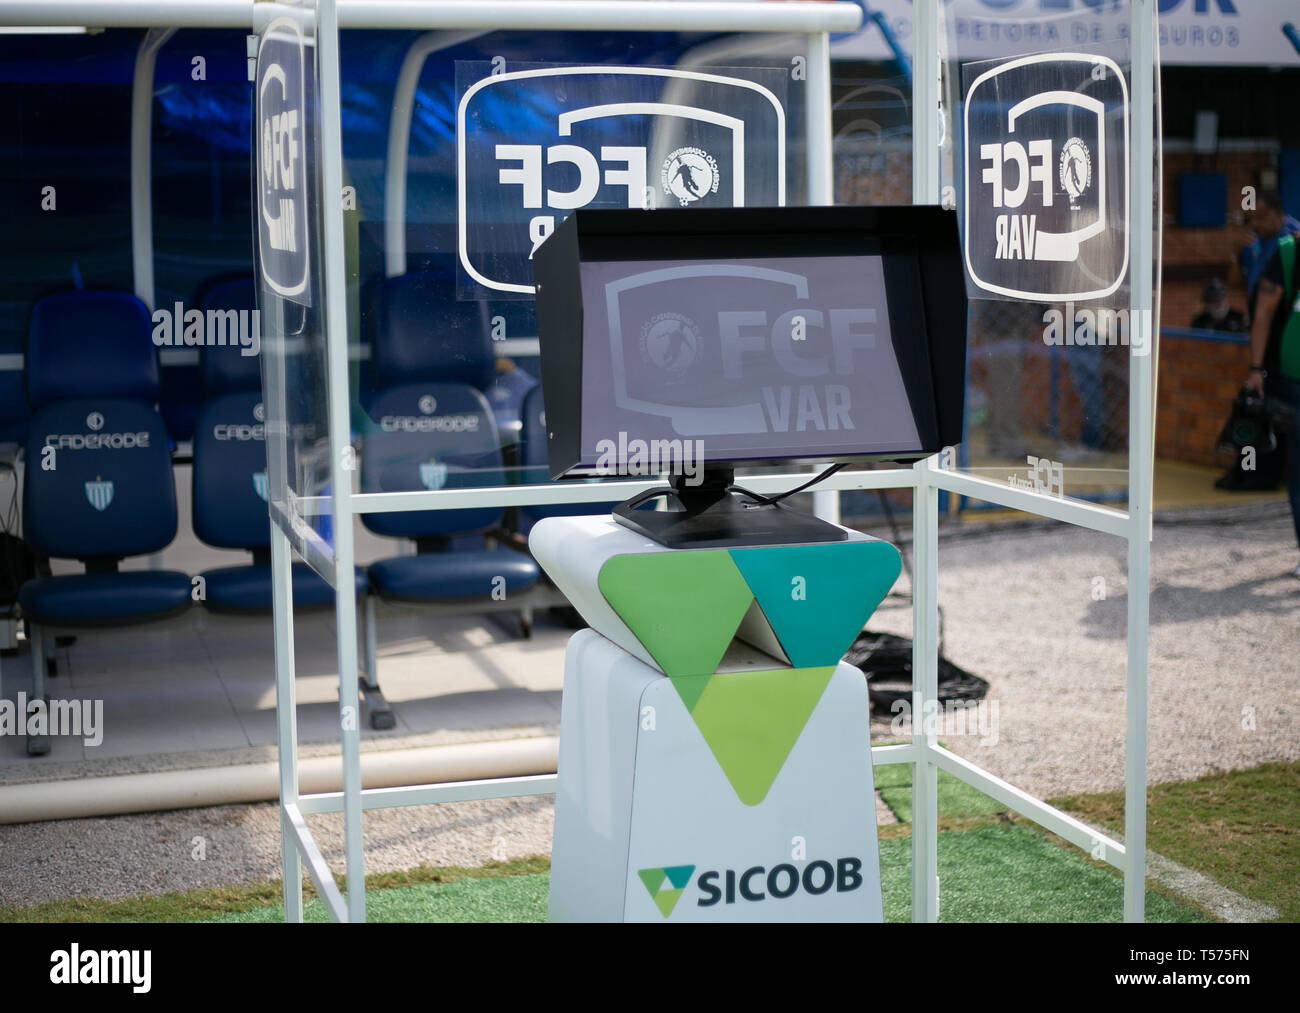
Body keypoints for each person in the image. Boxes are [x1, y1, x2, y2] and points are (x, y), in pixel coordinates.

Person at [1218, 190, 1298, 490]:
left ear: (1278, 213)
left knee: (1279, 411)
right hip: (1260, 335)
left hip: (1284, 336)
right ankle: (1248, 471)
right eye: (1252, 220)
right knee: (1254, 407)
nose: (1257, 225)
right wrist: (1234, 252)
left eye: (1261, 219)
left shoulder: (1292, 241)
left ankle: (1266, 475)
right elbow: (1235, 284)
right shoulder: (1253, 243)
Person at [1242, 232, 1300, 577]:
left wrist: (1256, 368)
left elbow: (1263, 312)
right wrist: (1257, 369)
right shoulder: (1288, 253)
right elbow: (1263, 312)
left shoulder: (1288, 251)